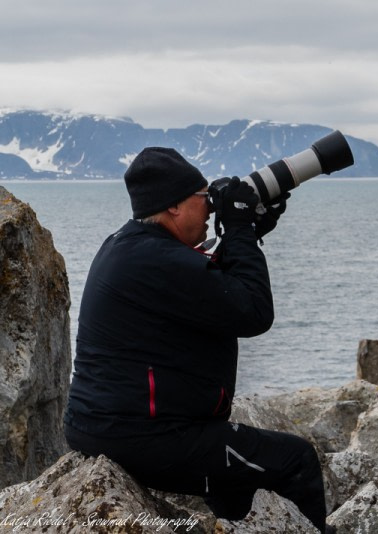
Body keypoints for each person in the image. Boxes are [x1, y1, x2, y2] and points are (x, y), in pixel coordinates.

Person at [63, 147, 332, 533]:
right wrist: (239, 231)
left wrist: (247, 234)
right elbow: (253, 311)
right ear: (174, 205)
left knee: (237, 480)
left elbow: (206, 285)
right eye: (204, 199)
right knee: (297, 460)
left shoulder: (131, 247)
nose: (210, 209)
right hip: (144, 437)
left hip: (108, 427)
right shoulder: (158, 259)